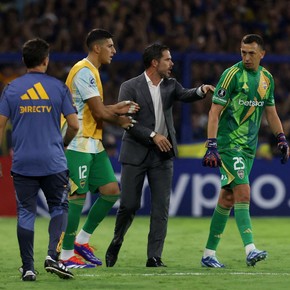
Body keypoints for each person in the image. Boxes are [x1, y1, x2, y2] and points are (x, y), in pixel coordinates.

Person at [105, 43, 215, 267]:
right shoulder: (130, 86)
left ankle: (154, 256)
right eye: (168, 59)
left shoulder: (170, 84)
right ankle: (117, 240)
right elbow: (127, 122)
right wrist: (153, 135)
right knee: (129, 205)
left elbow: (185, 94)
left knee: (161, 208)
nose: (172, 63)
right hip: (135, 152)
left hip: (162, 155)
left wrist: (201, 90)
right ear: (155, 63)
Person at [201, 34, 289, 268]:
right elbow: (214, 112)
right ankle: (250, 249)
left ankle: (208, 254)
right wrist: (211, 145)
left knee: (227, 199)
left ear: (262, 54)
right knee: (243, 193)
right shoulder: (231, 75)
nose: (246, 57)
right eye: (243, 52)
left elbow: (271, 112)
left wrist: (281, 138)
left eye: (251, 53)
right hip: (230, 145)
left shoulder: (266, 79)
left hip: (249, 148)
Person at [0, 38, 79, 281]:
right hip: (53, 161)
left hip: (23, 162)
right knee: (60, 206)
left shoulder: (11, 88)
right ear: (46, 60)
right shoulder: (58, 88)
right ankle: (52, 258)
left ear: (24, 61)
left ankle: (28, 268)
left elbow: (0, 127)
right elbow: (74, 125)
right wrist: (63, 144)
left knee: (25, 211)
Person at [59, 28, 139, 268]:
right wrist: (120, 117)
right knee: (77, 195)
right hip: (77, 142)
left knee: (111, 190)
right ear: (97, 47)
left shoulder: (92, 72)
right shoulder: (83, 71)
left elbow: (98, 108)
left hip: (93, 141)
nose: (114, 51)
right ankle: (65, 255)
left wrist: (117, 108)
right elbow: (98, 111)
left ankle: (82, 241)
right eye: (110, 46)